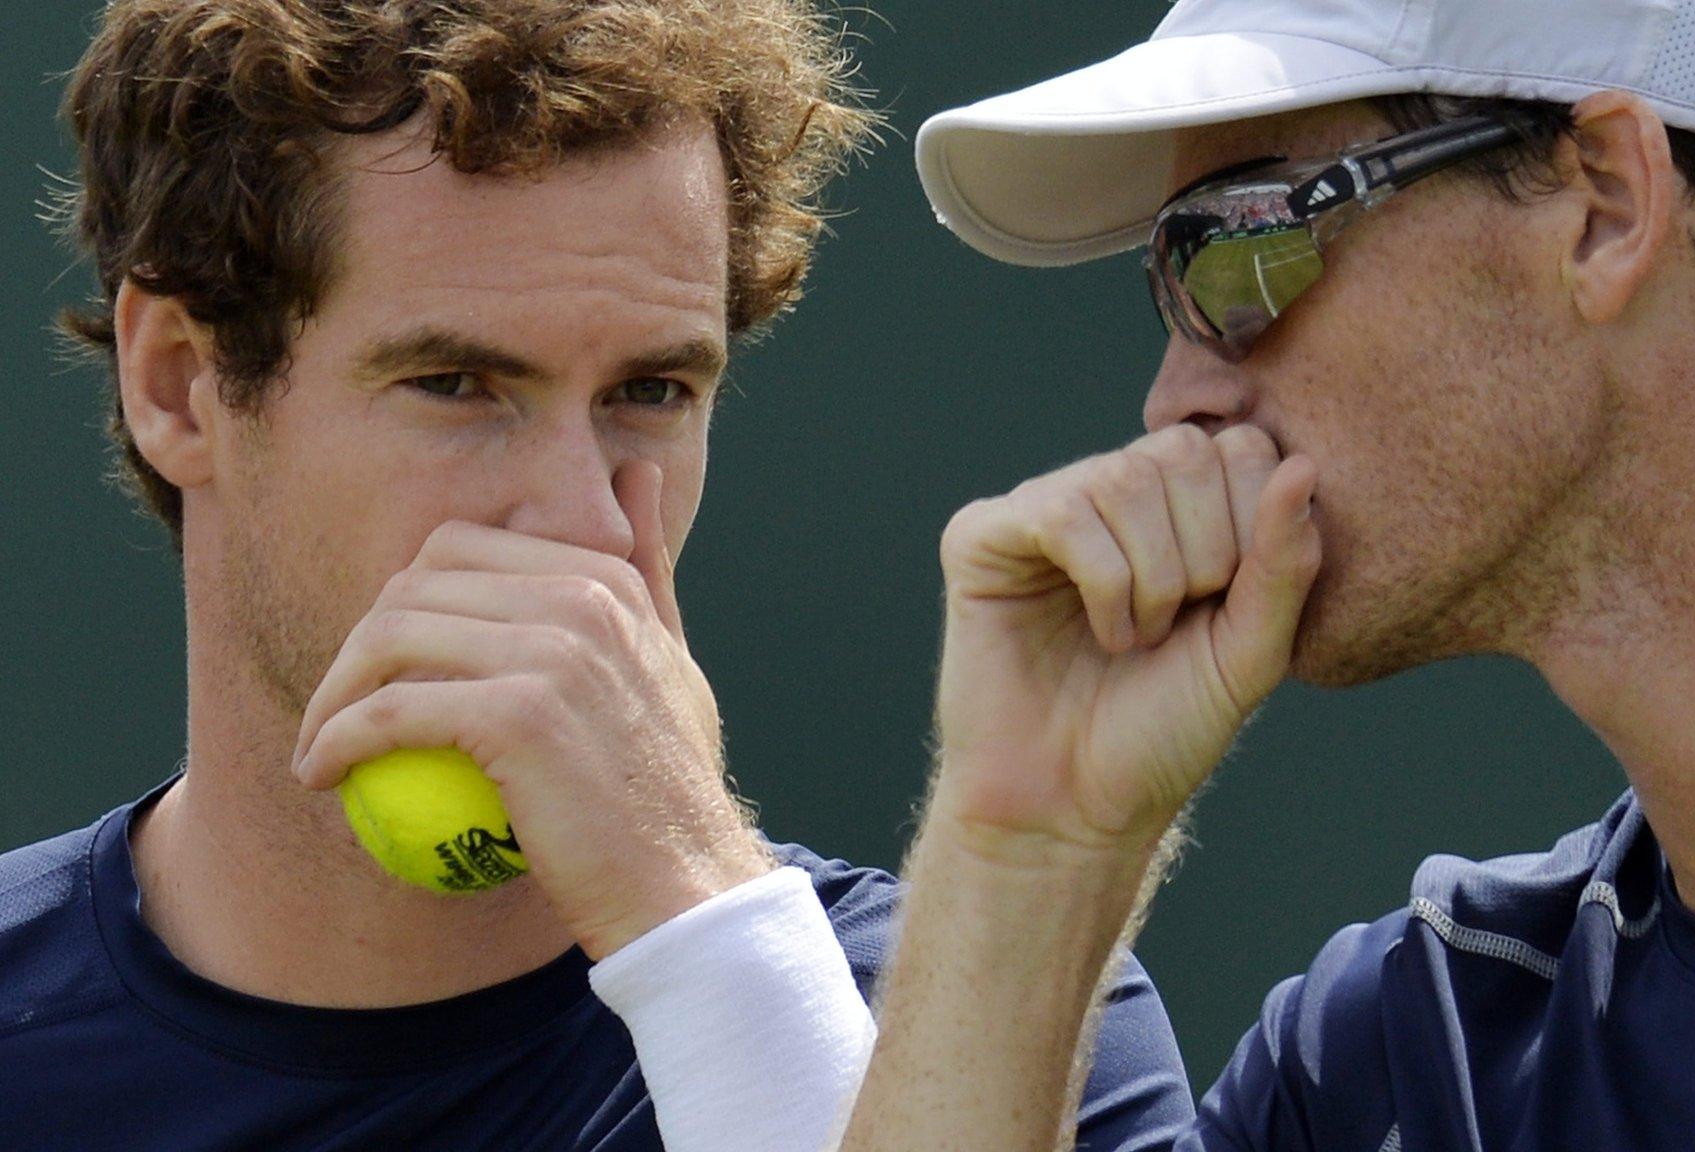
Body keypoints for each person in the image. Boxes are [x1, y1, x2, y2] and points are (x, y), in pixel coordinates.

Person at [828, 0, 1695, 1148]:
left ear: (1609, 206)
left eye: (1237, 244)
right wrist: (1032, 851)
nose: (1173, 400)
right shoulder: (1409, 1061)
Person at [0, 2, 1193, 1149]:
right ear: (175, 386)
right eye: (456, 385)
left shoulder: (1003, 1061)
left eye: (649, 393)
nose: (587, 524)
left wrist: (695, 912)